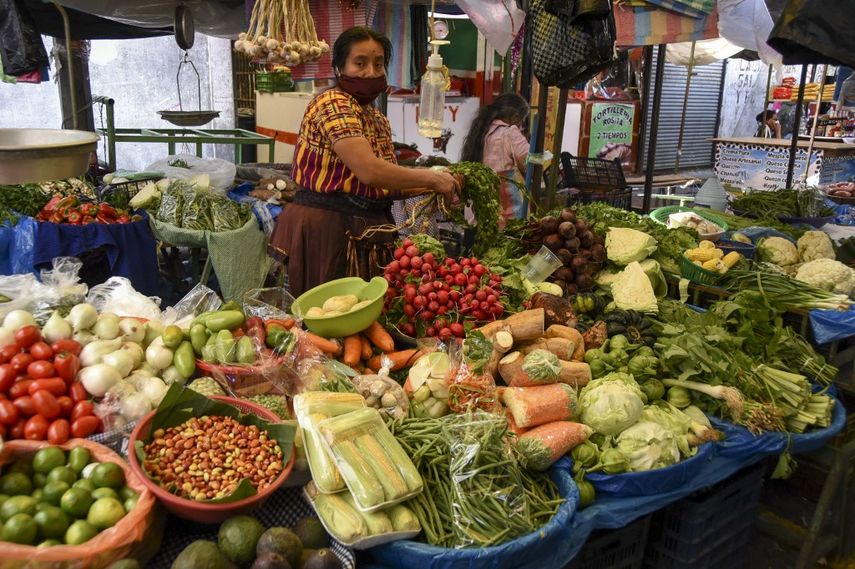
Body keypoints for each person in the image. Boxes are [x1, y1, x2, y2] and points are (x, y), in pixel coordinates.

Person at [269, 27, 461, 297]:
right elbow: (369, 171)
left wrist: (440, 182)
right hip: (327, 230)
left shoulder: (376, 118)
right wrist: (431, 177)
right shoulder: (332, 103)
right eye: (360, 63)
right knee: (325, 320)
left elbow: (386, 183)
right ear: (339, 68)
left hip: (362, 229)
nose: (371, 72)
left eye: (378, 64)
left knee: (359, 322)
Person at [460, 93, 530, 227]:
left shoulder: (480, 132)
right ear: (515, 118)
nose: (521, 126)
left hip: (474, 218)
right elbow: (529, 166)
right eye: (522, 121)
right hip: (504, 222)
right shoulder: (510, 133)